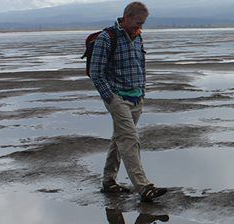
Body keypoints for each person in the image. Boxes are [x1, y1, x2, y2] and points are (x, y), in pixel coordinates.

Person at [89, 1, 167, 202]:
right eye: (137, 22)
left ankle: (108, 181)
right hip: (117, 98)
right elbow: (96, 73)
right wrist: (111, 98)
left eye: (143, 23)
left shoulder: (138, 37)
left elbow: (140, 66)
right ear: (126, 17)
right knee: (130, 139)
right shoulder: (107, 38)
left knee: (120, 138)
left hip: (136, 98)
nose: (140, 26)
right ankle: (144, 187)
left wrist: (142, 93)